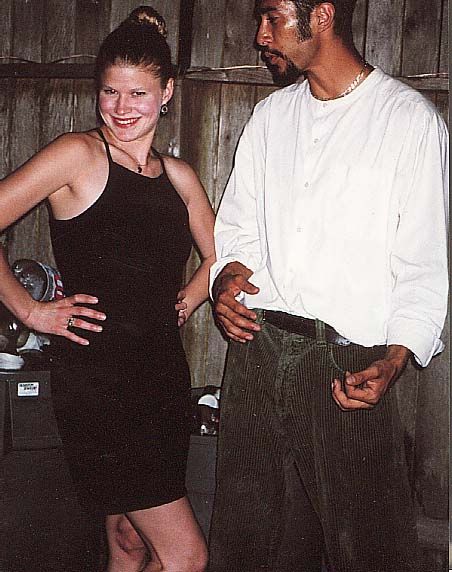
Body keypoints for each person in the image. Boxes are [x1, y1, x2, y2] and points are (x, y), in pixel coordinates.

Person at [208, 1, 449, 571]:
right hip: (259, 352)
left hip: (347, 367)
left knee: (368, 551)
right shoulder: (271, 117)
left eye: (271, 18)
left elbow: (423, 262)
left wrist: (394, 361)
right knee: (249, 545)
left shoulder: (407, 121)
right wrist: (227, 280)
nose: (259, 35)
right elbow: (238, 227)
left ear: (320, 16)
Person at [0, 6, 214, 572]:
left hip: (162, 379)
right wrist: (31, 311)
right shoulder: (78, 155)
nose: (121, 108)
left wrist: (187, 299)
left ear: (167, 93)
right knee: (186, 556)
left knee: (130, 540)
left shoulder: (179, 176)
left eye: (138, 94)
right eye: (110, 92)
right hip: (100, 385)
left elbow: (219, 257)